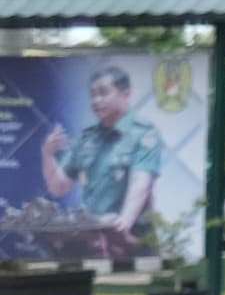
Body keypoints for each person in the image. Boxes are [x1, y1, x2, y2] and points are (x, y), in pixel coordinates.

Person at [51, 60, 165, 226]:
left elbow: (141, 182)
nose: (96, 100)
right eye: (92, 95)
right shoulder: (87, 138)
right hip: (92, 233)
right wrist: (47, 155)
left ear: (125, 94)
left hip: (131, 235)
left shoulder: (144, 133)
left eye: (103, 93)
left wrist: (124, 223)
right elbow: (59, 185)